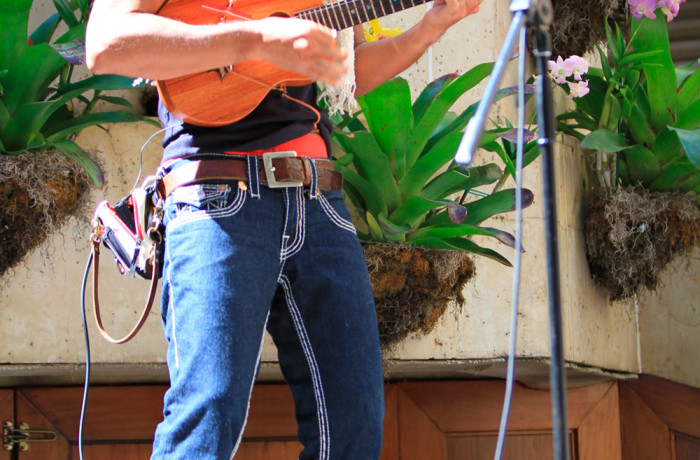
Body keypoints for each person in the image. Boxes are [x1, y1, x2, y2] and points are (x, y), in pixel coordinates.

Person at [85, 0, 483, 458]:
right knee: (207, 418)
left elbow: (347, 74)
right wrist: (255, 39)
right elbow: (105, 44)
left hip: (318, 195)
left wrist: (433, 25)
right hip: (216, 192)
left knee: (353, 426)